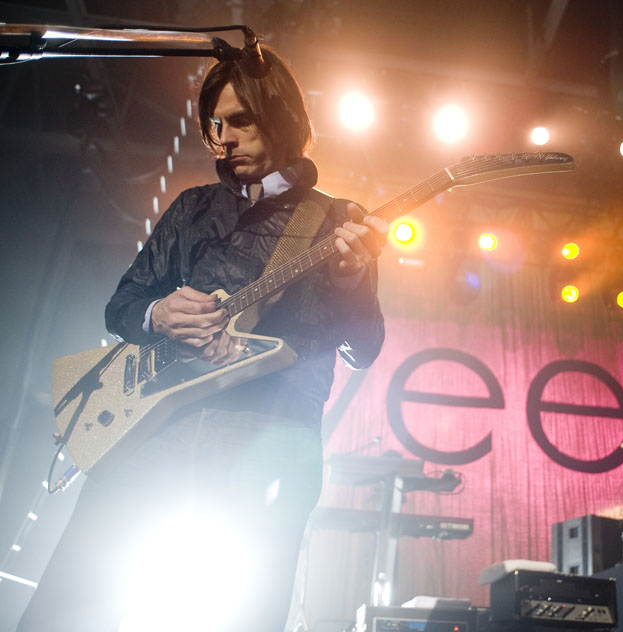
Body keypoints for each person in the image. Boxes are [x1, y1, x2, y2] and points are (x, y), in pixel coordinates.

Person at [18, 45, 388, 631]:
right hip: (152, 433)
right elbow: (122, 306)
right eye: (216, 124)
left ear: (283, 119)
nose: (224, 139)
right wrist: (157, 314)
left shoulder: (334, 220)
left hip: (261, 444)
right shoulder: (193, 208)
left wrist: (353, 281)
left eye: (240, 121)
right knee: (75, 603)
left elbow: (362, 349)